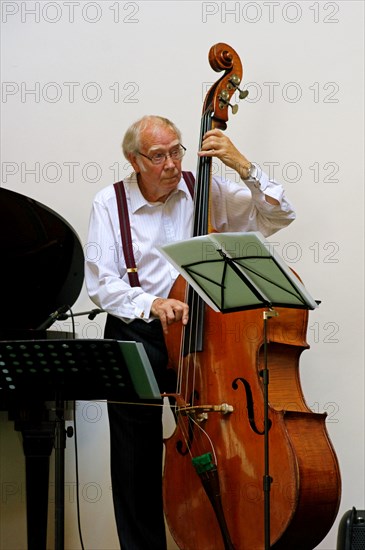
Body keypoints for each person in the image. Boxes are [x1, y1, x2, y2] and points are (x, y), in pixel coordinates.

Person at [84, 115, 296, 549]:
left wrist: (244, 166)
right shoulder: (109, 203)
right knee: (133, 463)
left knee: (218, 443)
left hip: (202, 337)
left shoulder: (206, 189)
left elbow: (279, 216)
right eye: (158, 155)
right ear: (134, 160)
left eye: (177, 150)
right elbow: (102, 283)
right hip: (135, 332)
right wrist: (151, 303)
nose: (170, 163)